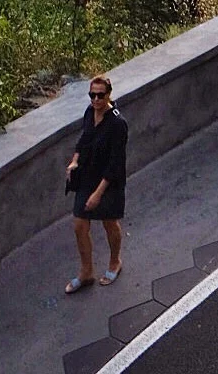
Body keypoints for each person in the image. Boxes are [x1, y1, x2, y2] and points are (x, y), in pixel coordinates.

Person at [65, 75, 127, 294]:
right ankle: (86, 271)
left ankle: (115, 262)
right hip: (87, 176)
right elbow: (84, 140)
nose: (96, 99)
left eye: (100, 95)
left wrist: (98, 193)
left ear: (109, 94)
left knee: (109, 222)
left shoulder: (118, 124)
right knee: (79, 225)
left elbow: (116, 163)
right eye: (92, 95)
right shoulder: (89, 112)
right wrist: (74, 161)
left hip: (109, 181)